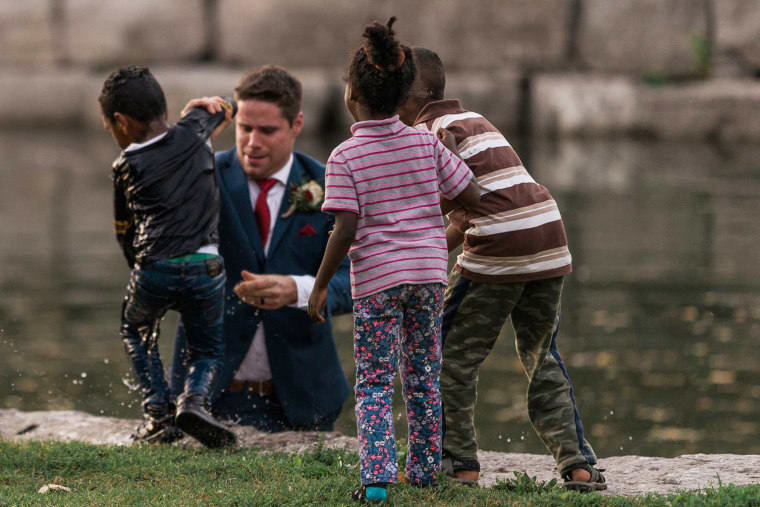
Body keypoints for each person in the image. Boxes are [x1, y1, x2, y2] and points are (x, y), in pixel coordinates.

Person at [396, 47, 607, 491]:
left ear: (402, 96)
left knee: (447, 353)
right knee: (541, 353)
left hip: (501, 243)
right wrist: (433, 248)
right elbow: (463, 215)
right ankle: (577, 464)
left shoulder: (426, 136)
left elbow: (455, 207)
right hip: (549, 236)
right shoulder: (474, 120)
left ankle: (460, 463)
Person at [308, 19, 481, 503]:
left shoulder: (345, 157)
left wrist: (321, 285)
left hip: (378, 281)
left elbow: (344, 230)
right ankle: (424, 471)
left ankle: (378, 479)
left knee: (376, 380)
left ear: (351, 94)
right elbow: (471, 192)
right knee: (423, 374)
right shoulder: (427, 143)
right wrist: (444, 171)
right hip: (428, 274)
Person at [170, 66, 353, 433]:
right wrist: (184, 143)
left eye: (267, 131)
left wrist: (301, 290)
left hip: (304, 398)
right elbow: (161, 234)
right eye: (245, 128)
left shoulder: (329, 185)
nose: (253, 142)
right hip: (207, 396)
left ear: (296, 124)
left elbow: (359, 280)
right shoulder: (203, 176)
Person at [99, 65, 236, 448]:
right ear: (164, 109)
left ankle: (159, 412)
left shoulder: (125, 165)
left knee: (135, 330)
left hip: (154, 267)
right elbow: (230, 106)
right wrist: (205, 105)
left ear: (121, 122)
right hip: (207, 266)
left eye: (109, 127)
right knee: (206, 347)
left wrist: (139, 270)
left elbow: (123, 229)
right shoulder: (194, 127)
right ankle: (193, 401)